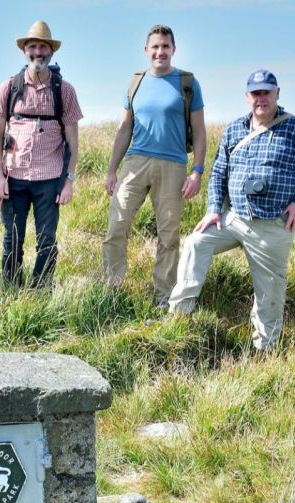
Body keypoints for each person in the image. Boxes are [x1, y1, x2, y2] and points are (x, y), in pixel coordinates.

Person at [169, 69, 295, 352]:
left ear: (277, 93)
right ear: (247, 97)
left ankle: (264, 349)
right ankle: (178, 317)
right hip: (233, 218)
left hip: (272, 225)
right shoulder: (235, 129)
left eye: (266, 92)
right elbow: (220, 170)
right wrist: (212, 210)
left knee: (269, 292)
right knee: (196, 243)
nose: (261, 98)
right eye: (256, 93)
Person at [102, 24, 207, 307]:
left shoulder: (187, 83)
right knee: (117, 226)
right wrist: (112, 169)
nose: (160, 52)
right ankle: (111, 291)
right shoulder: (135, 82)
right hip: (135, 162)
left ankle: (163, 297)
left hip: (173, 166)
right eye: (155, 47)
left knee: (169, 235)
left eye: (165, 46)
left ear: (173, 49)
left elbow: (199, 132)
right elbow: (124, 128)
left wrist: (197, 172)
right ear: (146, 50)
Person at [0, 20, 83, 289]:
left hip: (49, 179)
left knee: (47, 241)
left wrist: (69, 181)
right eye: (32, 46)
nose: (37, 52)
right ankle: (11, 292)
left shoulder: (64, 91)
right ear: (24, 51)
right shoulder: (8, 87)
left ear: (51, 51)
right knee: (12, 239)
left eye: (43, 46)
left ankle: (40, 294)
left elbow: (73, 144)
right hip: (13, 177)